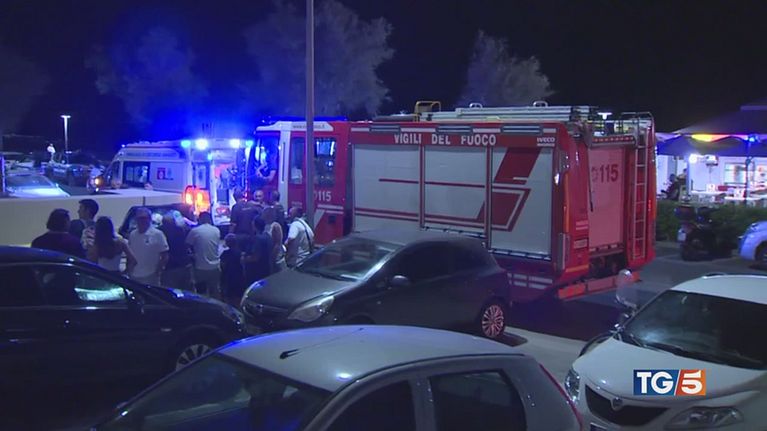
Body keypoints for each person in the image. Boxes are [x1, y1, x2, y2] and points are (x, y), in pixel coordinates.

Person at [128, 207, 169, 285]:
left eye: (144, 218)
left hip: (150, 275)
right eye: (139, 218)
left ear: (149, 219)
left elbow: (165, 255)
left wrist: (158, 271)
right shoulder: (132, 234)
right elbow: (130, 254)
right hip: (134, 275)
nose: (141, 221)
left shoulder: (158, 234)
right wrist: (129, 269)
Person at [186, 212, 222, 299]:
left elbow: (187, 245)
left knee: (201, 293)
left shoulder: (195, 231)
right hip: (215, 266)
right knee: (215, 291)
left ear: (200, 219)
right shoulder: (216, 230)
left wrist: (193, 254)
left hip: (200, 267)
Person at [159, 214, 193, 290]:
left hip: (170, 267)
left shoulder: (161, 232)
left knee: (170, 291)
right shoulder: (181, 230)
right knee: (186, 291)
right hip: (184, 264)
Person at [243, 218, 272, 285]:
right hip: (267, 268)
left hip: (257, 271)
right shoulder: (268, 236)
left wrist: (244, 259)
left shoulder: (258, 239)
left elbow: (255, 257)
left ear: (255, 226)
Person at [220, 234, 245, 306]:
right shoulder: (240, 253)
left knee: (229, 298)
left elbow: (222, 265)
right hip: (239, 276)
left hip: (228, 277)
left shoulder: (225, 253)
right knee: (238, 296)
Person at [261, 206, 286, 272]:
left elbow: (277, 244)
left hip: (277, 259)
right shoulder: (265, 226)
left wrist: (272, 258)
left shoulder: (275, 226)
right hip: (268, 257)